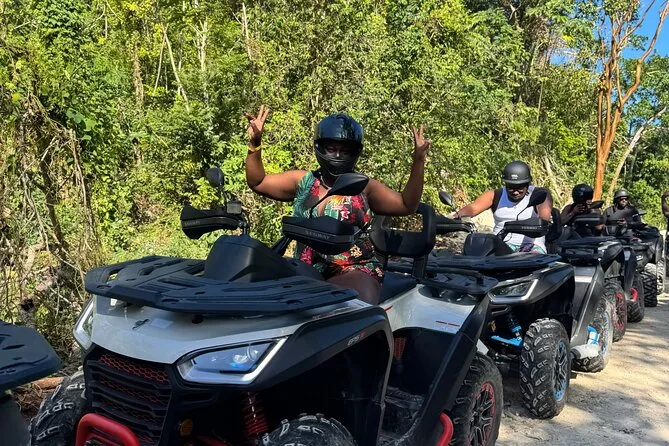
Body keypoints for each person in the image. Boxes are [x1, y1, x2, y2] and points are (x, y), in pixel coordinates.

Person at [244, 105, 431, 305]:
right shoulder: (303, 181)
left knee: (352, 308)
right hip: (305, 269)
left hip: (353, 268)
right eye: (332, 149)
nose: (338, 156)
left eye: (345, 151)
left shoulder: (364, 186)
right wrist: (255, 143)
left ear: (355, 152)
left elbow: (406, 204)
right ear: (320, 147)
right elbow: (258, 182)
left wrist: (418, 161)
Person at [449, 161, 552, 253]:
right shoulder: (495, 195)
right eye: (511, 187)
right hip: (499, 244)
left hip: (530, 247)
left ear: (527, 184)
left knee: (529, 262)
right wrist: (452, 219)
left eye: (520, 188)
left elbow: (544, 218)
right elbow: (473, 208)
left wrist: (535, 224)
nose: (515, 192)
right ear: (506, 184)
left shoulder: (539, 194)